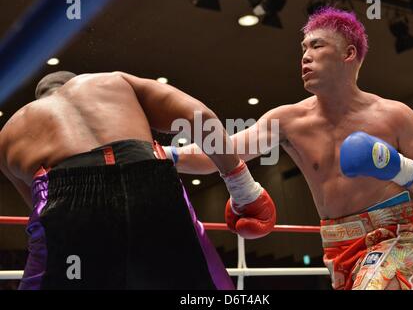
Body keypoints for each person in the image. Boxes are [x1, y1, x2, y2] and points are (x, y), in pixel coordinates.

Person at [164, 7, 413, 290]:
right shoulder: (288, 121)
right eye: (303, 48)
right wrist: (165, 155)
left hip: (396, 236)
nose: (305, 56)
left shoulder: (394, 115)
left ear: (348, 54)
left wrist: (396, 166)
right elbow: (222, 151)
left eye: (317, 45)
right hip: (337, 247)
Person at [0, 71, 276, 289]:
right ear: (76, 81)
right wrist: (244, 189)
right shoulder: (113, 82)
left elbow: (38, 206)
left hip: (67, 198)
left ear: (38, 99)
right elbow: (200, 117)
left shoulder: (11, 130)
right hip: (149, 178)